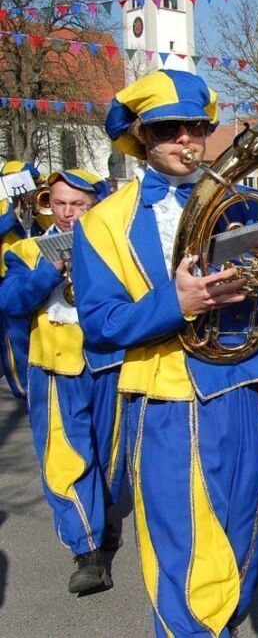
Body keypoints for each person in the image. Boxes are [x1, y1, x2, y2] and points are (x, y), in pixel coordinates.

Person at [72, 69, 258, 637]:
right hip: (172, 400)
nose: (186, 141)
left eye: (196, 128)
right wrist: (174, 302)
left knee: (245, 542)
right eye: (169, 129)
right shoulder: (104, 221)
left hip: (250, 389)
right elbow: (99, 326)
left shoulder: (244, 203)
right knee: (186, 561)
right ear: (143, 137)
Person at [0, 169, 124, 594]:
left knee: (111, 456)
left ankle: (102, 515)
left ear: (95, 206)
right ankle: (86, 550)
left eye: (79, 205)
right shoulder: (26, 250)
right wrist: (50, 272)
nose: (69, 214)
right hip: (53, 368)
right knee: (64, 460)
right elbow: (10, 302)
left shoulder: (114, 246)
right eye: (61, 203)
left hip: (108, 364)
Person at [0, 160, 47, 400]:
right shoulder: (2, 208)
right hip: (5, 279)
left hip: (35, 276)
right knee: (13, 340)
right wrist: (12, 215)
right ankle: (22, 388)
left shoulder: (38, 202)